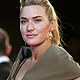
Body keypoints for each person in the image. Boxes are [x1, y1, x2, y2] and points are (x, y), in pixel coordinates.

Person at [7, 0, 80, 80]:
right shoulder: (20, 60)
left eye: (37, 20)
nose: (29, 28)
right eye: (24, 21)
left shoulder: (58, 58)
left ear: (52, 24)